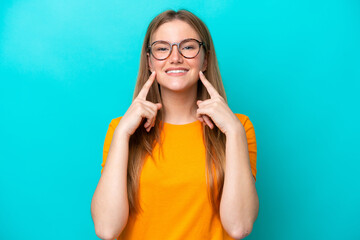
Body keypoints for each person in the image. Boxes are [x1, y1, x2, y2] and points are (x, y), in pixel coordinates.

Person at [91, 9, 259, 240]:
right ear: (149, 61)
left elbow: (239, 226)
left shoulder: (238, 127)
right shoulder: (120, 130)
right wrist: (122, 135)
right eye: (162, 48)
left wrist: (234, 132)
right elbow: (106, 229)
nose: (175, 57)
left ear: (205, 58)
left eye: (188, 47)